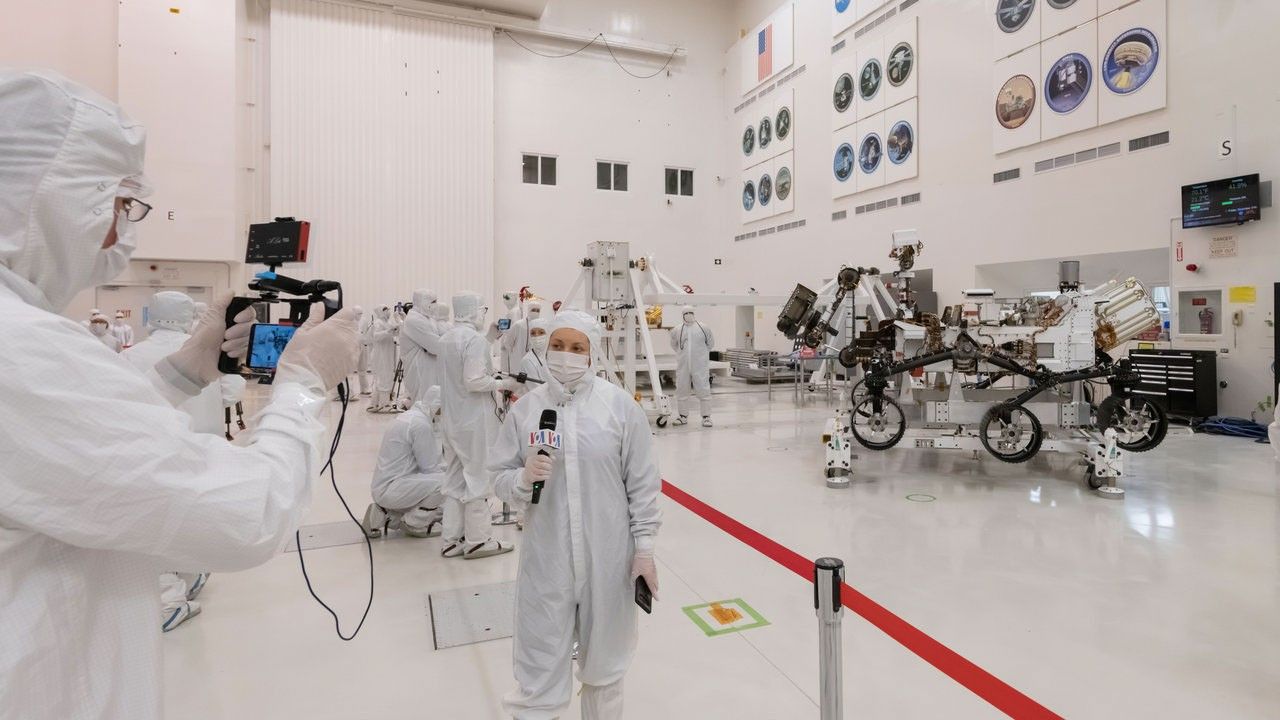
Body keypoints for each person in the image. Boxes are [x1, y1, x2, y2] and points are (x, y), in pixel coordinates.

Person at [0, 70, 361, 719]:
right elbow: (245, 516)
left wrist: (187, 366)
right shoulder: (21, 347)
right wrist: (304, 385)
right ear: (52, 195)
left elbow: (74, 437)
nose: (119, 237)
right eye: (119, 206)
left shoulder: (29, 345)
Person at [492, 309, 662, 719]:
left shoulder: (620, 409)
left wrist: (645, 549)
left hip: (608, 559)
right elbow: (496, 476)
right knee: (539, 671)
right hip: (547, 560)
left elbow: (642, 486)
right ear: (545, 347)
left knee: (605, 670)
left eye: (576, 348)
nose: (565, 355)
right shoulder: (526, 410)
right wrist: (521, 478)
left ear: (591, 353)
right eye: (558, 346)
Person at [122, 291, 242, 630]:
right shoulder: (210, 349)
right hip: (206, 447)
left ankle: (171, 595)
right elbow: (232, 392)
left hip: (156, 452)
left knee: (157, 522)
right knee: (194, 514)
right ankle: (190, 575)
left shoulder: (131, 357)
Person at [438, 292, 521, 559]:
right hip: (473, 421)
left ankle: (451, 540)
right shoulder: (471, 340)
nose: (484, 314)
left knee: (454, 478)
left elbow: (463, 365)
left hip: (452, 419)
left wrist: (490, 338)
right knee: (479, 477)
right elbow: (474, 381)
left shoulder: (447, 338)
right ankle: (478, 540)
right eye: (482, 309)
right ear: (473, 311)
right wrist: (504, 384)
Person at [362, 386, 448, 538]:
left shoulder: (410, 417)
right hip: (394, 488)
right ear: (436, 404)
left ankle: (382, 515)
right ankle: (415, 524)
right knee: (445, 483)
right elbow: (430, 468)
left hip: (386, 486)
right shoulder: (421, 425)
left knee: (439, 508)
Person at [669, 304, 714, 427]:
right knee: (682, 389)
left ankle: (706, 417)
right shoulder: (677, 330)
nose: (688, 315)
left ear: (694, 313)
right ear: (682, 315)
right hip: (683, 366)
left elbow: (710, 344)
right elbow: (674, 345)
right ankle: (682, 416)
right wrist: (683, 355)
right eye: (686, 313)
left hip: (699, 365)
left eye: (690, 313)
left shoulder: (703, 328)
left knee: (703, 389)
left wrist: (700, 355)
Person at [399, 288, 444, 407]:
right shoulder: (414, 319)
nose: (436, 305)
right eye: (433, 302)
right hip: (420, 371)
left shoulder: (428, 318)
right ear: (423, 302)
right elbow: (435, 347)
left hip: (429, 370)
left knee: (432, 406)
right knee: (423, 406)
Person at [368, 304, 398, 411]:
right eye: (385, 310)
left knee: (386, 377)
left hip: (387, 353)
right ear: (380, 312)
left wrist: (397, 328)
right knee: (384, 377)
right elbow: (376, 336)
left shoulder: (388, 322)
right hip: (380, 355)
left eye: (388, 310)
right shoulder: (378, 323)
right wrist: (389, 331)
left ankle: (376, 402)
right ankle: (384, 404)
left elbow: (394, 334)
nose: (388, 312)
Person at [501, 299, 543, 374]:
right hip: (518, 362)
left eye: (538, 310)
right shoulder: (518, 325)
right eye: (533, 310)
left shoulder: (542, 326)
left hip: (535, 364)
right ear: (529, 310)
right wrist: (514, 354)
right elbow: (508, 343)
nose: (535, 312)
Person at [516, 317, 550, 387]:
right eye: (533, 333)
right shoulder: (527, 361)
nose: (537, 336)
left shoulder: (552, 355)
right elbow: (536, 390)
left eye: (541, 332)